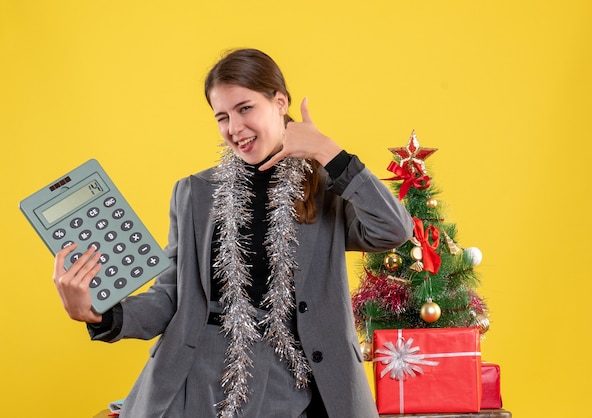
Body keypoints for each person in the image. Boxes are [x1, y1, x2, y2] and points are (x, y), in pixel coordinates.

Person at [53, 48, 413, 418]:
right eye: (221, 117)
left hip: (295, 380)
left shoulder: (327, 187)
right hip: (200, 377)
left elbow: (393, 229)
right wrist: (101, 314)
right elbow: (171, 296)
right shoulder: (193, 193)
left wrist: (328, 152)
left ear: (280, 102)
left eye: (245, 108)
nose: (234, 129)